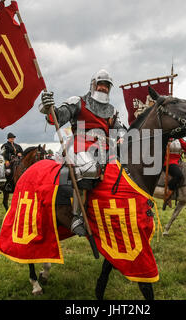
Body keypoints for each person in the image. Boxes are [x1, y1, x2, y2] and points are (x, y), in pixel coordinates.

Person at [39, 69, 124, 236]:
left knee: (125, 169)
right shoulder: (78, 101)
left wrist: (121, 137)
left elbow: (119, 128)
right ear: (93, 85)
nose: (103, 88)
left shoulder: (112, 110)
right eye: (100, 84)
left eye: (106, 86)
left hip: (105, 147)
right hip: (80, 144)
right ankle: (77, 217)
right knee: (90, 169)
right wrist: (48, 109)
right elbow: (58, 117)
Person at [163, 138, 186, 207]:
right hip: (168, 161)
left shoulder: (178, 138)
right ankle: (168, 195)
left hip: (178, 161)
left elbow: (184, 144)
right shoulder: (165, 135)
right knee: (178, 175)